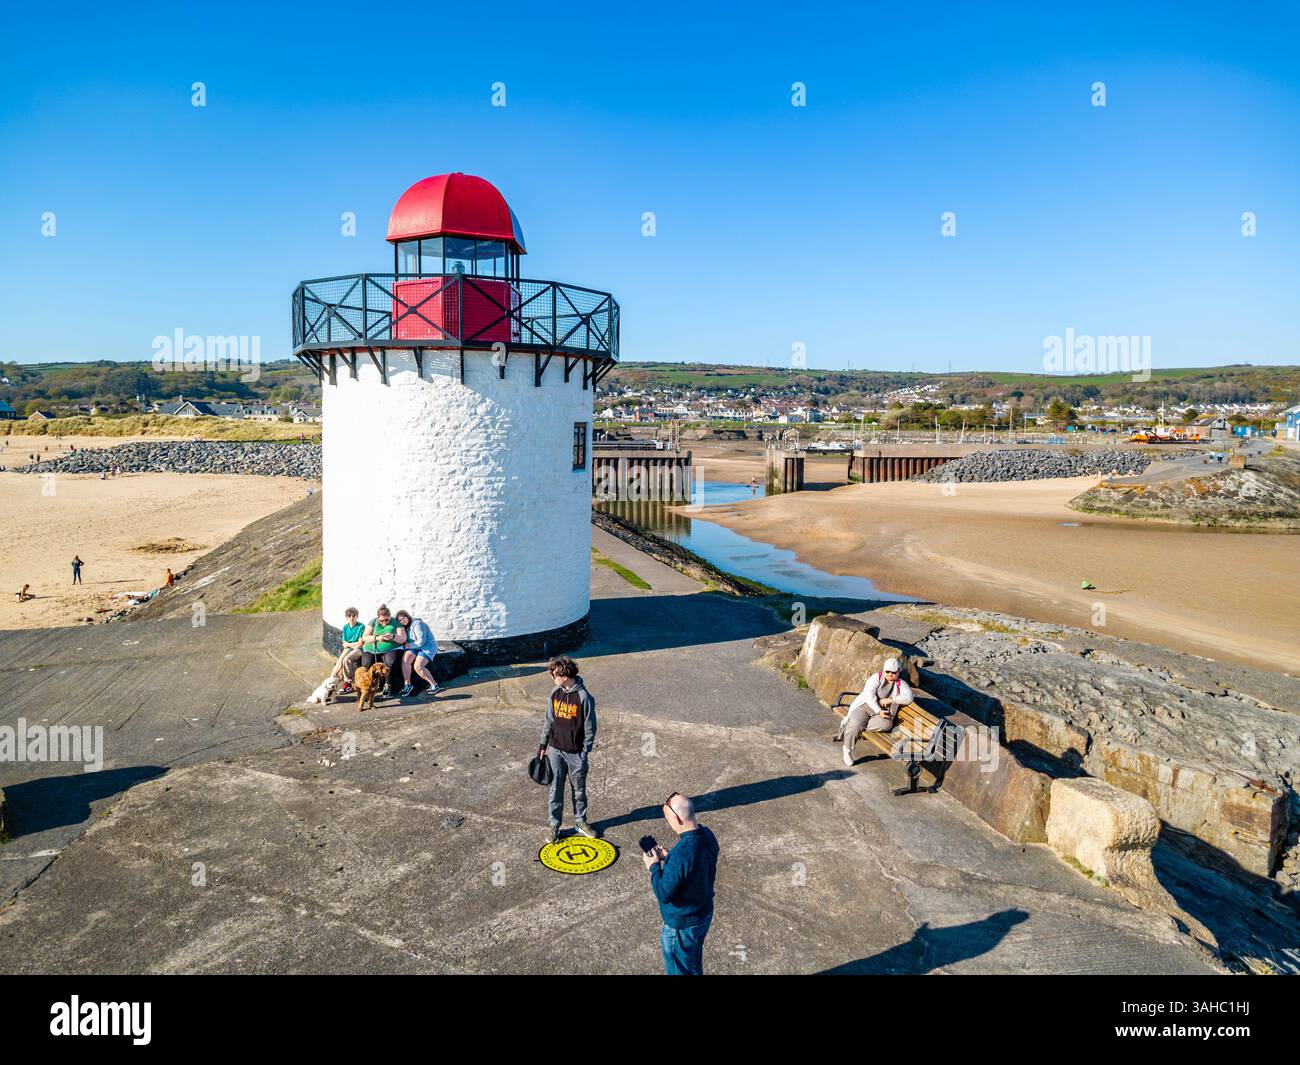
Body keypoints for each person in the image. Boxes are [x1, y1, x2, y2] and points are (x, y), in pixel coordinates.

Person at [643, 793, 719, 976]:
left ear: (677, 818)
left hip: (682, 926)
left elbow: (664, 892)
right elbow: (695, 867)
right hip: (703, 914)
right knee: (692, 964)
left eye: (668, 819)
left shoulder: (682, 854)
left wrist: (653, 867)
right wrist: (669, 858)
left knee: (680, 970)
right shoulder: (707, 835)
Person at [537, 655, 597, 843]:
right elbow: (549, 720)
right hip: (555, 750)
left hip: (576, 753)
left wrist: (584, 751)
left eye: (554, 674)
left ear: (564, 675)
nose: (552, 677)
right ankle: (554, 825)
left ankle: (581, 822)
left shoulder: (584, 697)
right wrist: (542, 745)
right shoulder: (555, 693)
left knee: (579, 790)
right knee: (555, 790)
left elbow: (590, 727)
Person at [835, 657, 914, 767]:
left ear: (898, 672)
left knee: (886, 725)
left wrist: (891, 700)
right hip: (865, 707)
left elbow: (909, 697)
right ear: (884, 670)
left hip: (882, 713)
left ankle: (856, 726)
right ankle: (847, 750)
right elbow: (869, 695)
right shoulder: (876, 678)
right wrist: (878, 710)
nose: (890, 674)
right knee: (855, 724)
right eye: (888, 671)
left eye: (894, 672)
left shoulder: (900, 684)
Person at [359, 604, 406, 698]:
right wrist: (377, 638)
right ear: (378, 618)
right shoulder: (373, 622)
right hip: (372, 648)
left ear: (390, 617)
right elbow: (364, 637)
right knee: (366, 663)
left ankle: (387, 685)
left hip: (391, 648)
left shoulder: (396, 622)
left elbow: (403, 638)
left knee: (390, 663)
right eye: (381, 620)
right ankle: (368, 684)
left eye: (386, 620)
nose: (384, 622)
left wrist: (392, 636)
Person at [396, 609, 442, 698]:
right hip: (414, 647)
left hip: (426, 647)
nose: (402, 621)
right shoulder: (405, 627)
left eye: (403, 618)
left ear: (407, 616)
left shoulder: (417, 624)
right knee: (405, 660)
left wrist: (409, 646)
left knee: (418, 666)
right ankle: (408, 685)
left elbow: (421, 641)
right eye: (400, 620)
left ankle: (434, 685)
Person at [330, 607, 366, 691]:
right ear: (346, 617)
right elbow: (344, 644)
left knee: (346, 659)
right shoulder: (345, 627)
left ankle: (349, 682)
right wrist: (352, 645)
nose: (352, 618)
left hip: (359, 649)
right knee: (340, 661)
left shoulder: (361, 626)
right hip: (351, 647)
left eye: (354, 616)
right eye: (349, 616)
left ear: (357, 616)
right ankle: (331, 679)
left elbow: (360, 643)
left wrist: (350, 645)